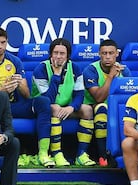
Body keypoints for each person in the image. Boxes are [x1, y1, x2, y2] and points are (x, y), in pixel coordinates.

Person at [0, 27, 52, 167]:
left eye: (3, 42)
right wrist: (1, 92)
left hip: (14, 106)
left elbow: (27, 95)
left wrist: (20, 84)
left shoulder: (15, 61)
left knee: (43, 102)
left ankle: (43, 153)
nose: (0, 46)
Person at [32, 38, 95, 167]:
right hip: (42, 107)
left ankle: (81, 154)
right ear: (50, 54)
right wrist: (56, 75)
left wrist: (72, 107)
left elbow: (79, 95)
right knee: (54, 107)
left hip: (66, 107)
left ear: (68, 56)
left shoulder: (75, 68)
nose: (58, 57)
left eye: (62, 54)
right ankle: (57, 153)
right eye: (55, 53)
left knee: (87, 110)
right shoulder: (41, 68)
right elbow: (47, 98)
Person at [83, 39, 131, 166]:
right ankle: (103, 156)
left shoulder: (124, 70)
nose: (108, 57)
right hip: (93, 107)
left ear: (117, 54)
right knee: (102, 108)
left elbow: (131, 96)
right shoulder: (91, 70)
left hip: (117, 109)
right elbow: (98, 97)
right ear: (99, 54)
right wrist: (110, 76)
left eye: (111, 53)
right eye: (104, 53)